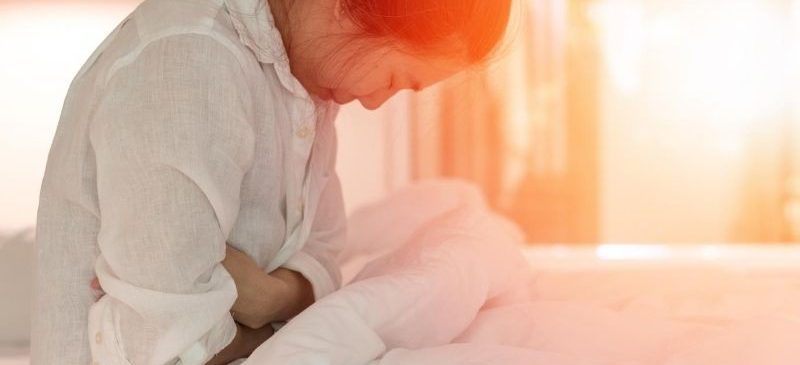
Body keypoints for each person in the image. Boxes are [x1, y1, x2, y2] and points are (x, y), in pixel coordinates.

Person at [31, 0, 512, 364]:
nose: (373, 103)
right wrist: (280, 330)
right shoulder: (192, 61)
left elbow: (325, 248)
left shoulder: (304, 89)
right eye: (393, 79)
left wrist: (270, 298)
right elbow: (166, 344)